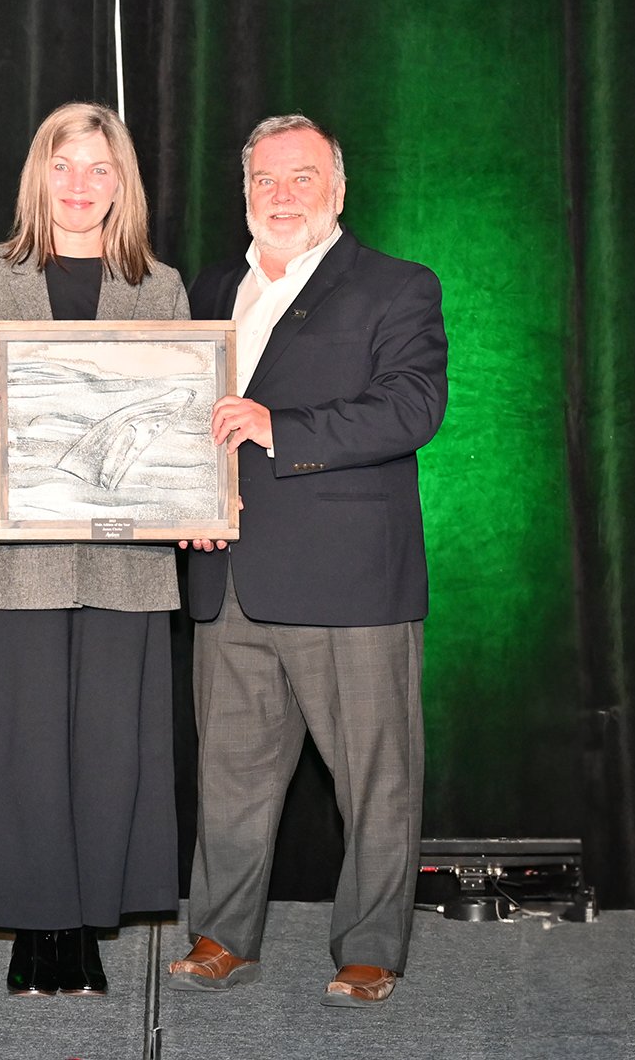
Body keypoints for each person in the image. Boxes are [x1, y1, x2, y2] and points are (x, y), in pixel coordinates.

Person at [169, 114, 447, 1005]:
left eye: (301, 178)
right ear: (243, 190)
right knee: (232, 774)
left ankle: (371, 948)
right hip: (229, 575)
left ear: (338, 187)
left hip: (349, 580)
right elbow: (180, 417)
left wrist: (278, 429)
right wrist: (184, 502)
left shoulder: (396, 286)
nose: (281, 195)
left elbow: (412, 409)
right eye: (264, 180)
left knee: (376, 778)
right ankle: (222, 935)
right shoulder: (212, 286)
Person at [0, 102, 188, 997]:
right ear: (38, 176)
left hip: (124, 555)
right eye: (64, 167)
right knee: (22, 744)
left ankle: (86, 922)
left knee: (109, 744)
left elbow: (180, 425)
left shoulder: (160, 287)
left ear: (124, 185)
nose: (80, 187)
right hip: (13, 552)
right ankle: (33, 927)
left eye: (100, 169)